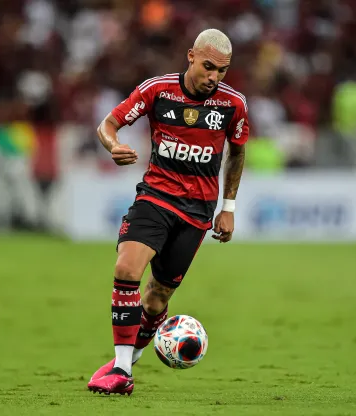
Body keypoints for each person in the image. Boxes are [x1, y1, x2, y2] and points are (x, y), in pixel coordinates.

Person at [87, 28, 250, 396]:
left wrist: (229, 206)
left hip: (198, 211)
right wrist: (113, 145)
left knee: (157, 298)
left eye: (222, 70)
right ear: (191, 56)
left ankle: (128, 361)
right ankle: (122, 370)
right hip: (156, 197)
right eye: (208, 67)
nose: (214, 77)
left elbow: (237, 153)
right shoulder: (158, 90)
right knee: (127, 269)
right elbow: (107, 124)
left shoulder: (232, 104)